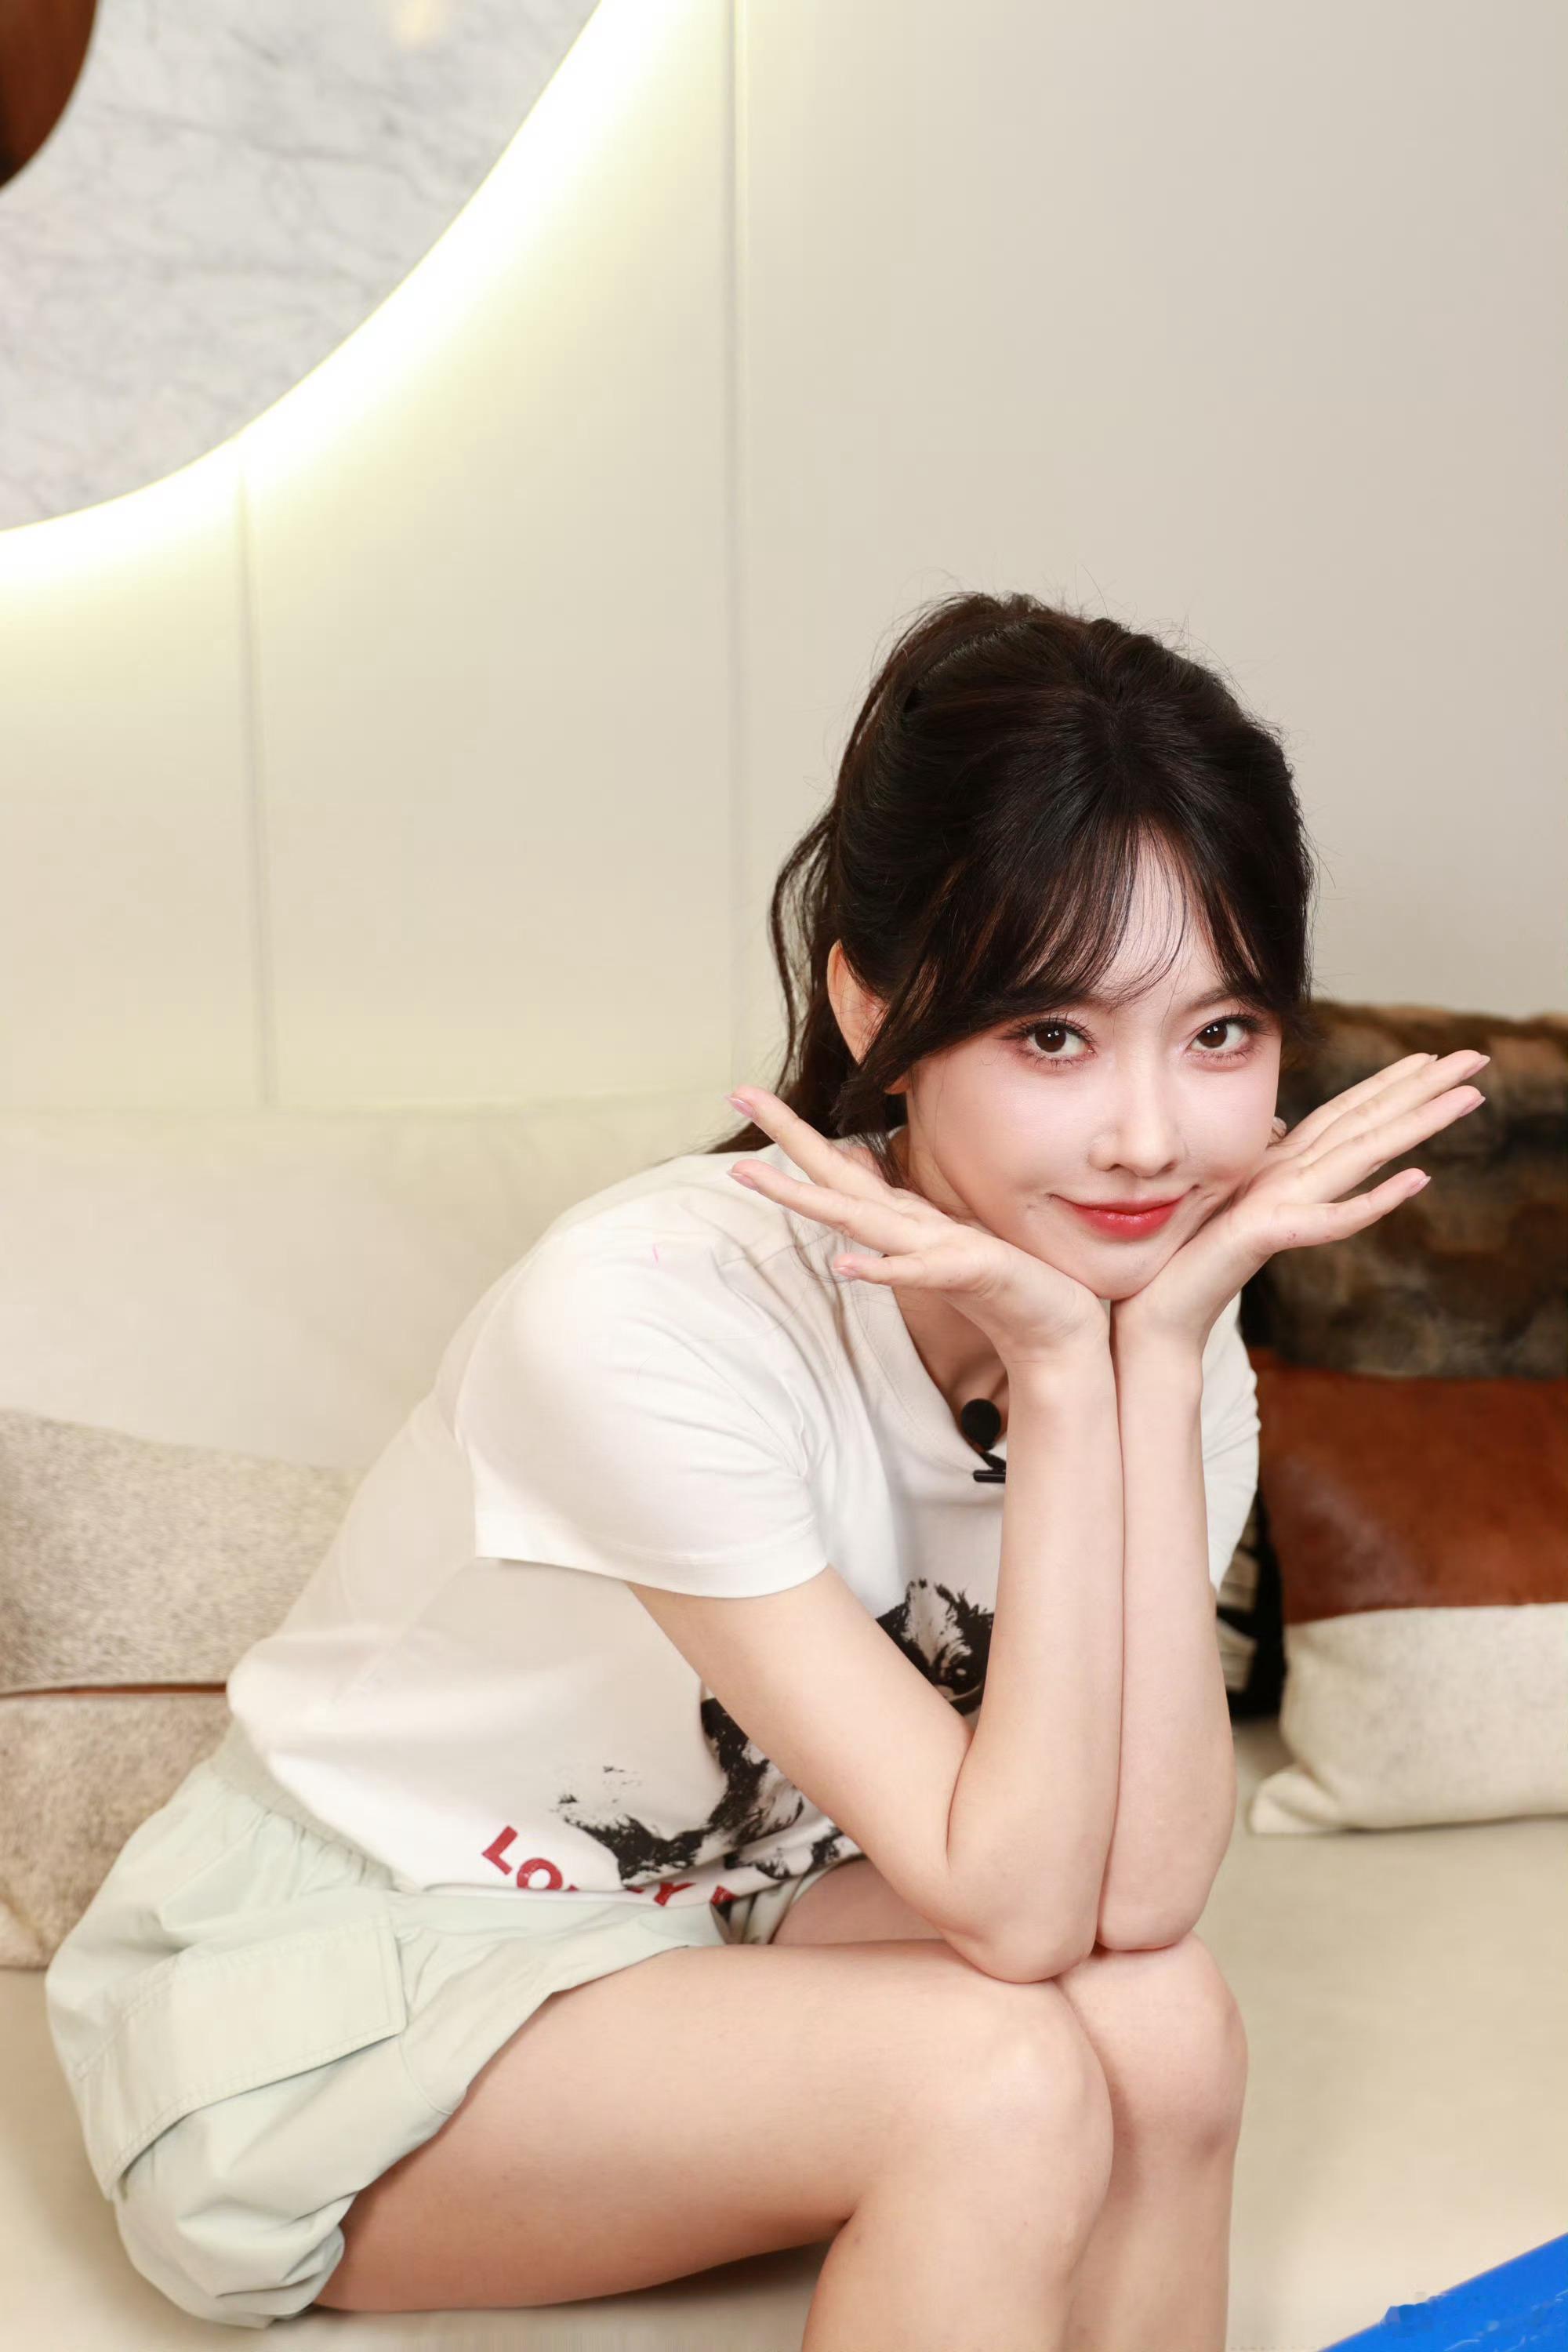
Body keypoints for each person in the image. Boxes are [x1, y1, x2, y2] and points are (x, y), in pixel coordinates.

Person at [43, 589, 1490, 2347]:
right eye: (1051, 1036)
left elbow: (1134, 1894)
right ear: (875, 1007)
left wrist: (1147, 1362)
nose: (1148, 1138)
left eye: (1221, 1035)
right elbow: (1013, 1912)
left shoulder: (1158, 1324)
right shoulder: (649, 1313)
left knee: (1170, 2025)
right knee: (996, 2077)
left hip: (728, 1917)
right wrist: (1065, 1365)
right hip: (354, 1975)